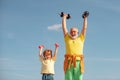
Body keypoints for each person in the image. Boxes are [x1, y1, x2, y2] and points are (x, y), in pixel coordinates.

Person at [61, 13, 88, 80]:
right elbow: (64, 28)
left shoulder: (81, 38)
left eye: (75, 32)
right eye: (71, 32)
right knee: (68, 78)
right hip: (68, 61)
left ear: (78, 33)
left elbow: (84, 28)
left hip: (78, 62)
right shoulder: (67, 38)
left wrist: (85, 18)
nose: (73, 33)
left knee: (79, 78)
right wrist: (64, 17)